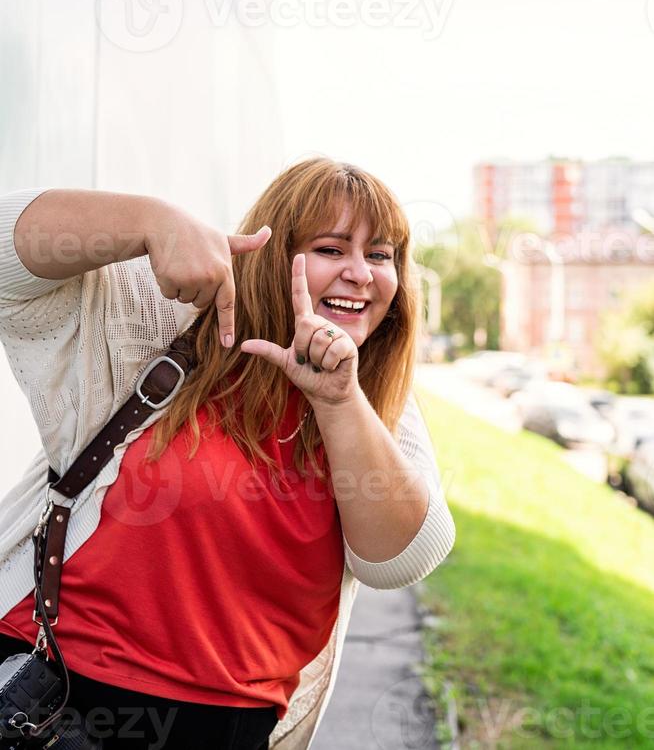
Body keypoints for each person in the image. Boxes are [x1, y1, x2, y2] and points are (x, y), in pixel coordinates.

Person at [0, 156, 456, 750]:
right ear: (273, 256)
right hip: (53, 694)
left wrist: (339, 402)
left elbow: (401, 559)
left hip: (223, 728)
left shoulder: (370, 396)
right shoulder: (164, 321)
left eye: (380, 255)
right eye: (330, 248)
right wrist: (149, 220)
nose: (361, 274)